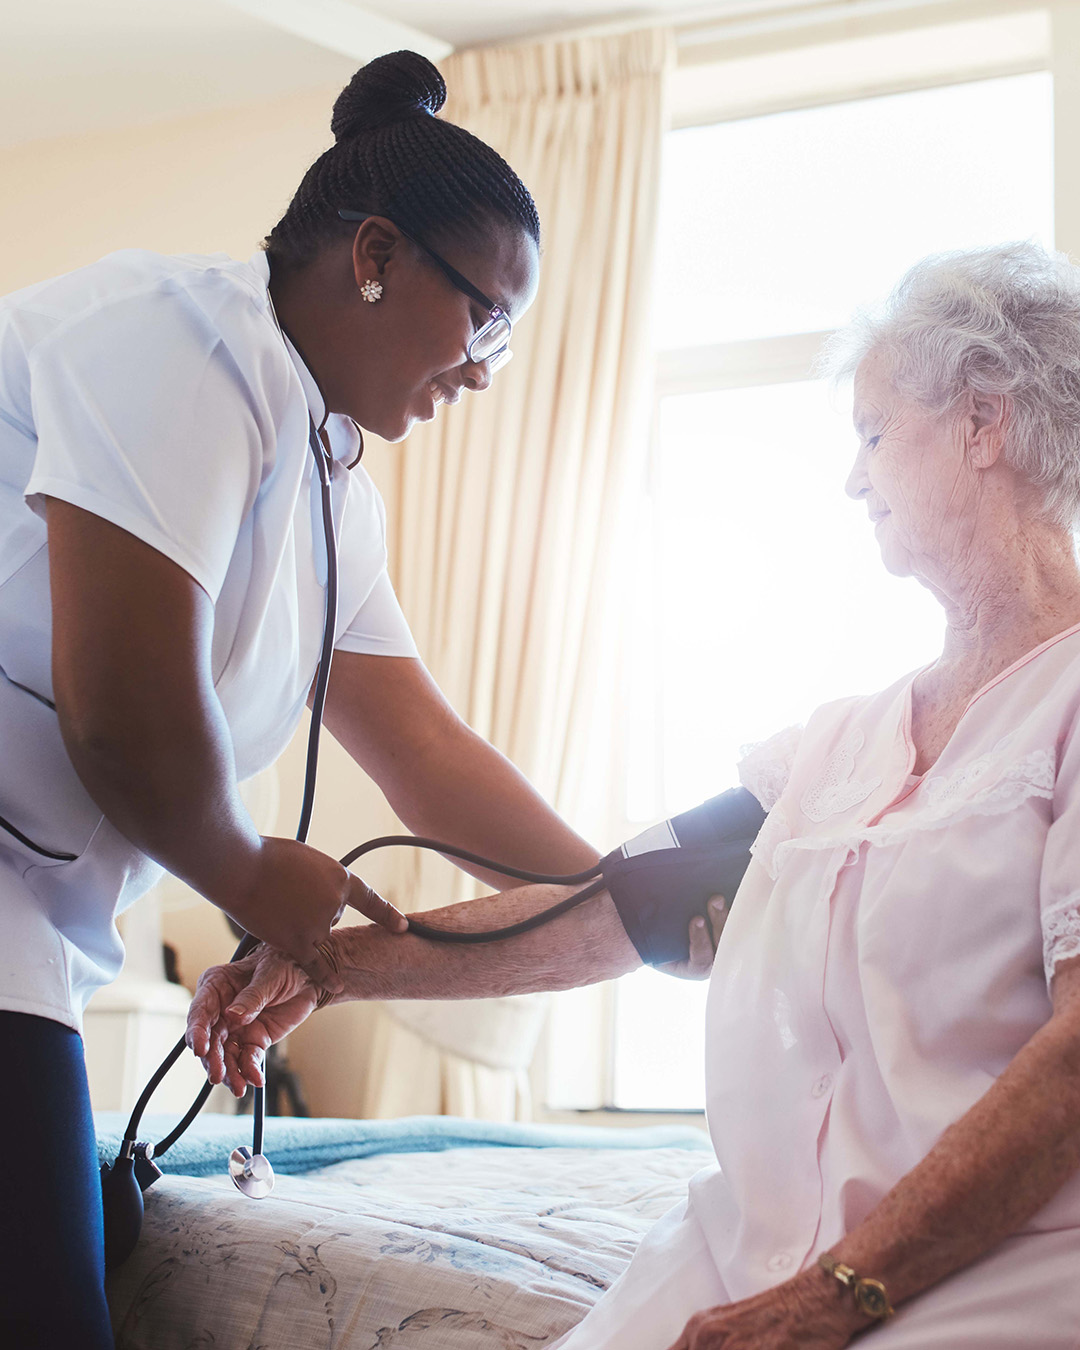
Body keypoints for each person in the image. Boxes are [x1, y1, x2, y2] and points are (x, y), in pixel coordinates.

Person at [190, 241, 1080, 1348]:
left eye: (874, 434)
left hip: (985, 1272)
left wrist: (838, 1293)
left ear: (983, 426)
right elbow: (617, 907)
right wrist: (328, 965)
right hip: (751, 1248)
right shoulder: (839, 746)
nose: (856, 478)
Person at [0, 49, 625, 1350]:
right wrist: (244, 868)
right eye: (488, 317)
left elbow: (429, 757)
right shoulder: (174, 342)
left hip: (38, 935)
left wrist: (631, 889)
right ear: (377, 256)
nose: (490, 369)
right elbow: (119, 709)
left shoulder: (336, 481)